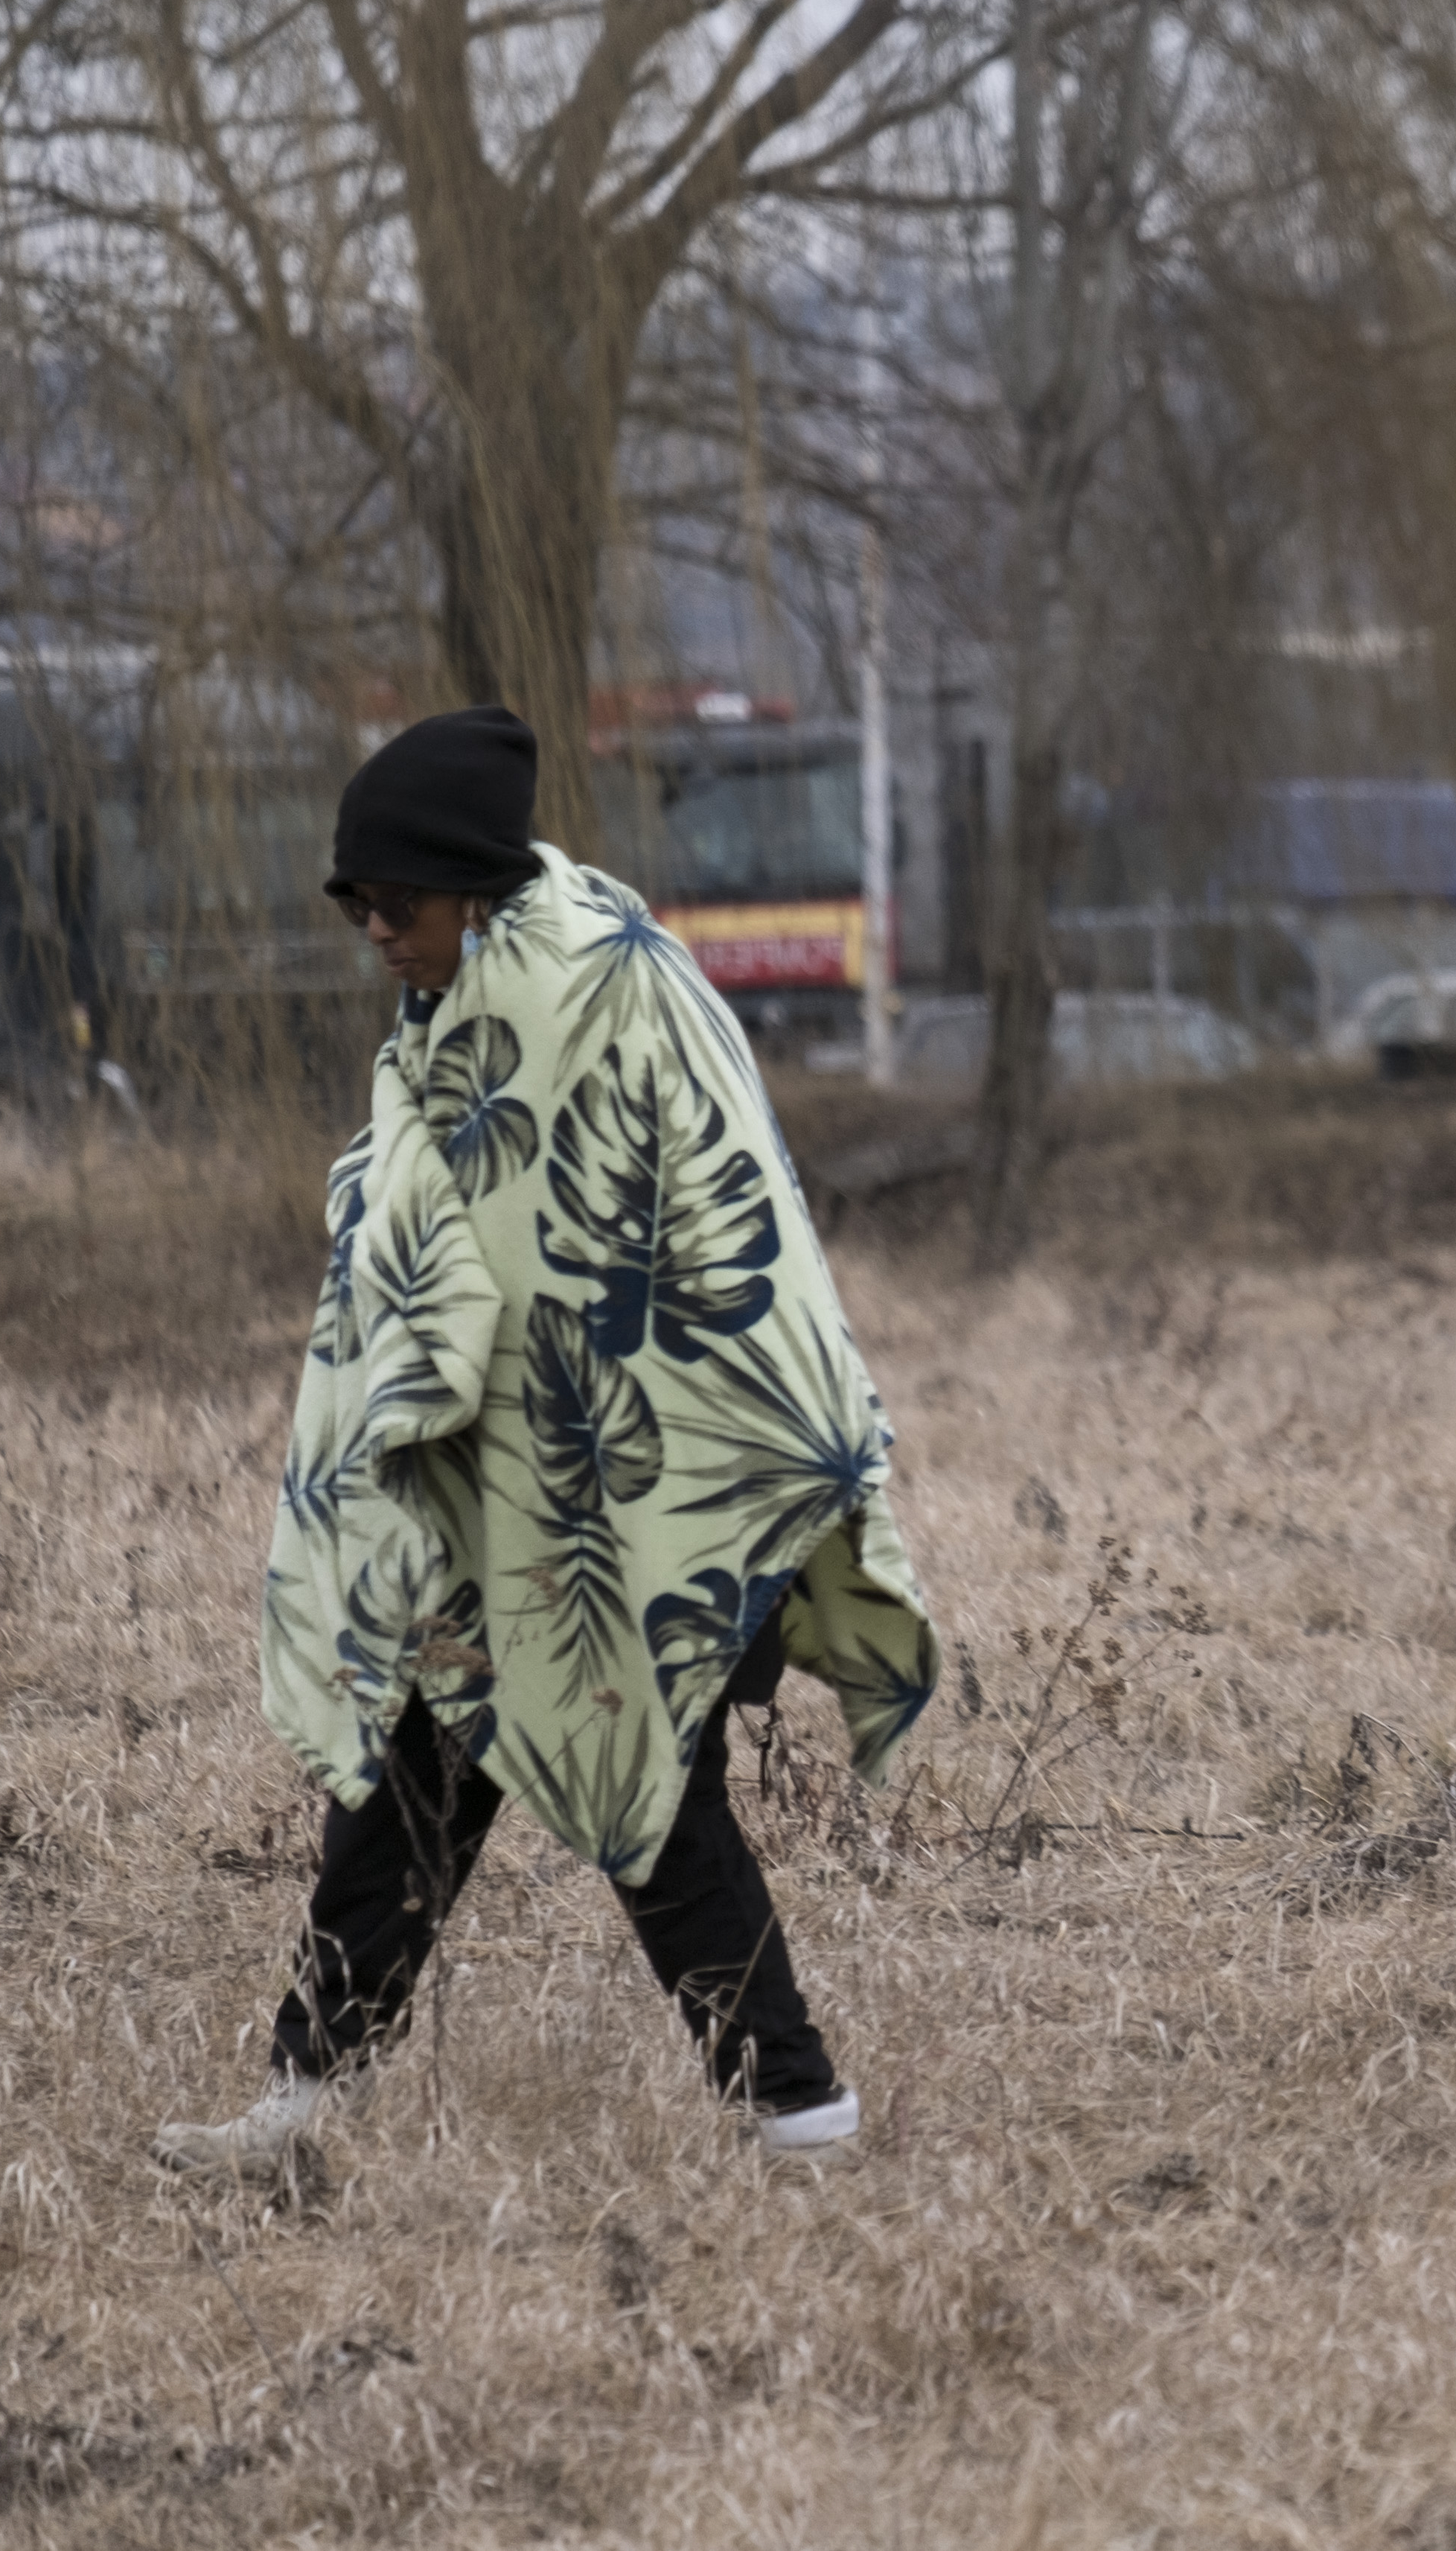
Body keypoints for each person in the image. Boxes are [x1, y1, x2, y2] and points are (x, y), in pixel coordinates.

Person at [159, 707, 939, 2184]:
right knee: (410, 1791)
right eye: (354, 903)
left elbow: (584, 1255)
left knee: (643, 1788)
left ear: (474, 890)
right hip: (524, 1483)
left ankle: (804, 2116)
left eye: (396, 900)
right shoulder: (471, 1004)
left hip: (665, 1475)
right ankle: (301, 2103)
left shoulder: (578, 995)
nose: (375, 930)